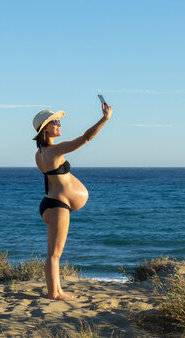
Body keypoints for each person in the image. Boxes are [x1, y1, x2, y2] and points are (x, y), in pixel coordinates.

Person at [32, 102, 113, 300]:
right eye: (55, 122)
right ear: (46, 129)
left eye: (59, 121)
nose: (59, 124)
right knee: (54, 254)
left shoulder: (40, 153)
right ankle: (54, 293)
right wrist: (105, 118)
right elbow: (86, 138)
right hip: (57, 206)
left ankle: (57, 290)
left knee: (54, 253)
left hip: (51, 203)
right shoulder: (53, 151)